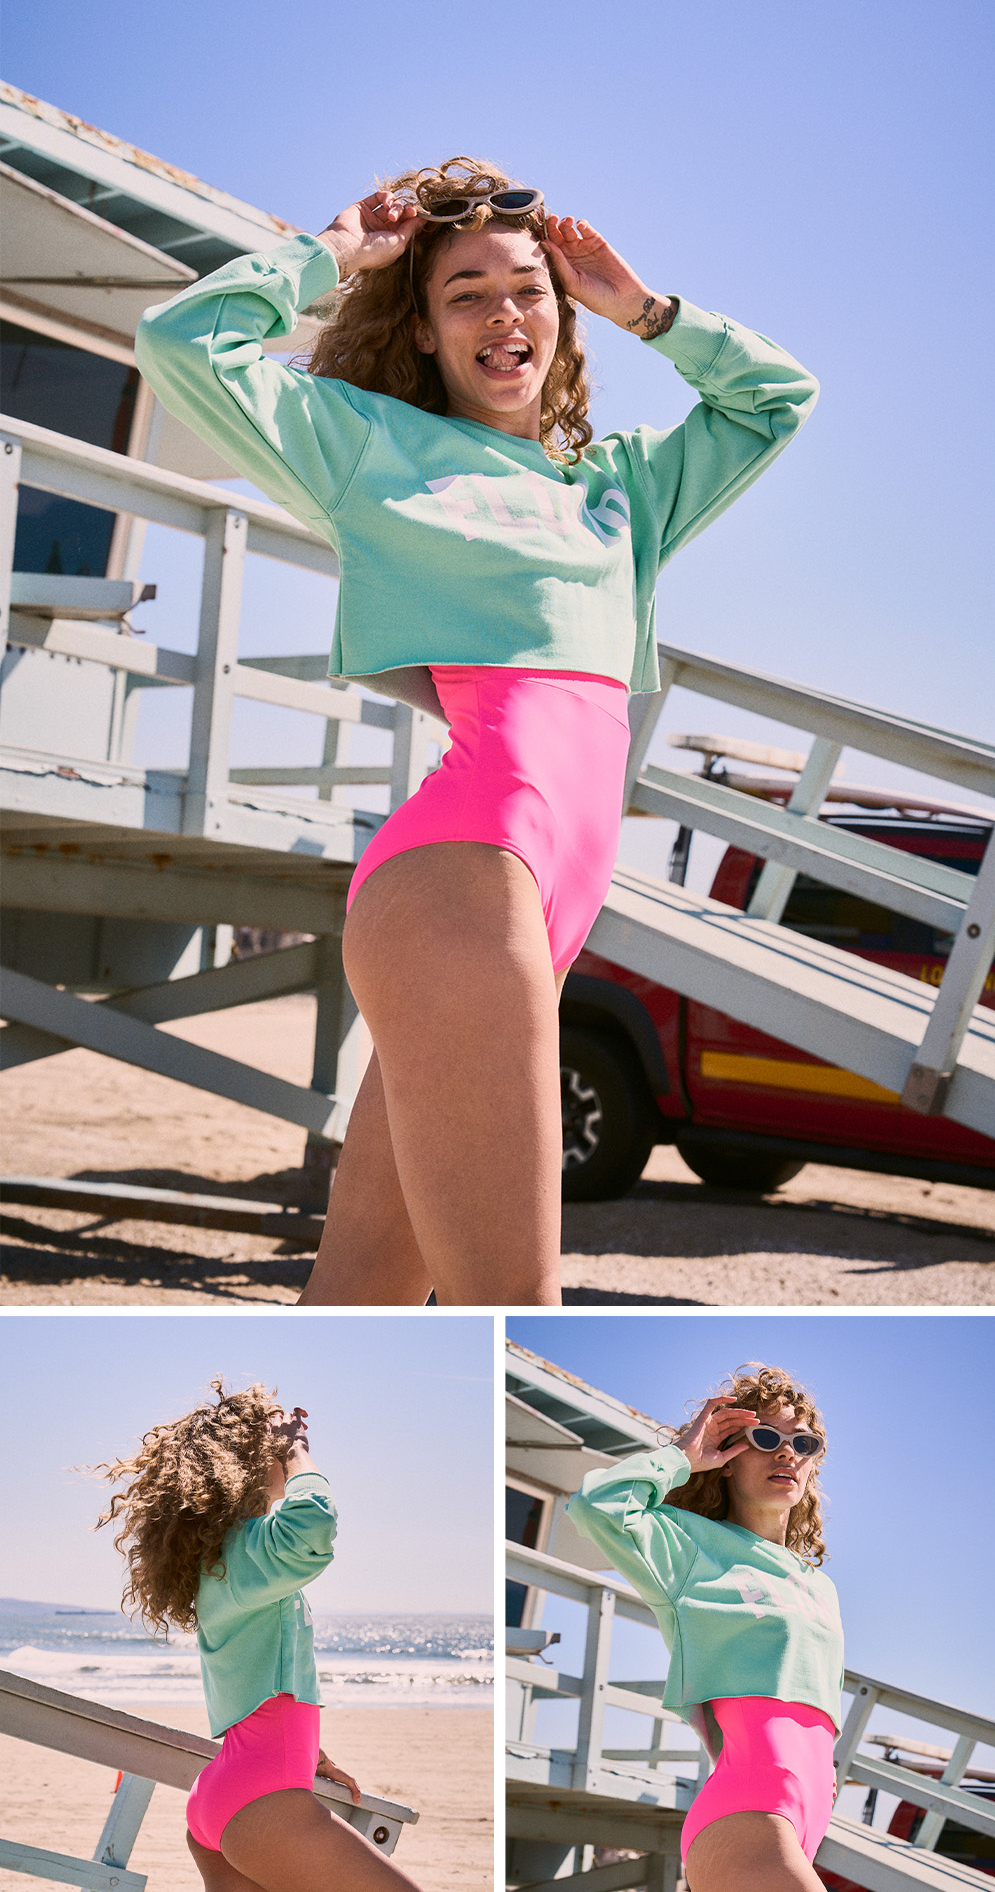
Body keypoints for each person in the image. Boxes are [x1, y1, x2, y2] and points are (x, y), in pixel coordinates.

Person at [132, 157, 817, 1313]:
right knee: (514, 1303)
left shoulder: (625, 484)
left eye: (526, 288)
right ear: (424, 328)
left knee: (361, 1301)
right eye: (466, 293)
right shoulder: (372, 444)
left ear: (561, 311)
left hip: (545, 903)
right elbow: (179, 342)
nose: (504, 313)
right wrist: (332, 253)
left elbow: (775, 396)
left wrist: (641, 307)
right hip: (464, 878)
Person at [99, 1376, 445, 1892]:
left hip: (224, 1800)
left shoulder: (225, 1561)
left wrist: (309, 1752)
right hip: (259, 1802)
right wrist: (300, 1456)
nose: (286, 1446)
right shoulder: (247, 1551)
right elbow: (313, 1530)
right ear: (245, 1463)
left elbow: (256, 1678)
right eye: (272, 1442)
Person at [568, 1360, 884, 1892]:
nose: (786, 1455)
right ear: (729, 1455)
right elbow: (595, 1508)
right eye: (765, 1439)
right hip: (749, 1826)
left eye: (803, 1444)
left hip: (798, 1831)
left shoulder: (818, 1586)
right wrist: (680, 1457)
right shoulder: (688, 1546)